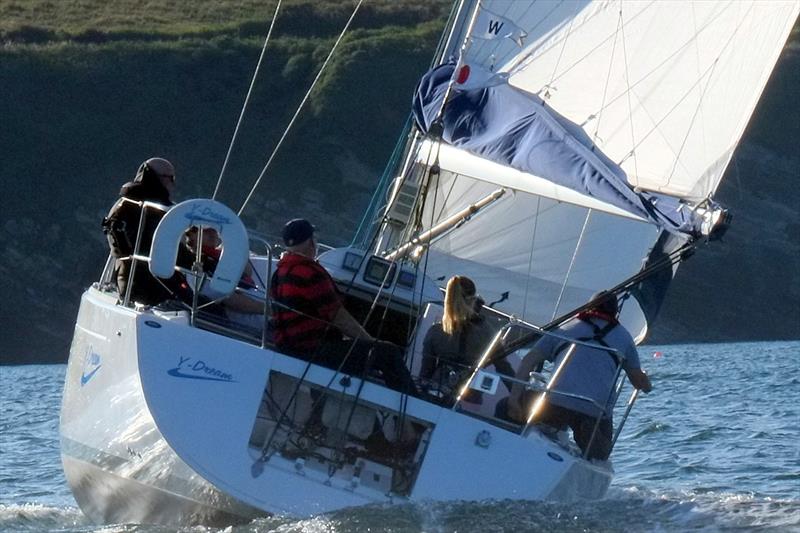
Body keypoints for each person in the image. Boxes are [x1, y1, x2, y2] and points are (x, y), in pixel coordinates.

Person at [270, 218, 416, 394]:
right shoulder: (310, 273)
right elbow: (338, 317)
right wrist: (371, 343)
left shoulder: (279, 273)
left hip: (287, 347)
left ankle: (319, 416)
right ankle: (416, 414)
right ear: (310, 242)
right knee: (388, 353)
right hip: (311, 351)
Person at [505, 292, 652, 460]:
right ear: (615, 312)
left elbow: (528, 361)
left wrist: (513, 400)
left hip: (554, 404)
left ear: (588, 307)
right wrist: (648, 384)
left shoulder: (565, 327)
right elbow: (639, 382)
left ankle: (515, 445)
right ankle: (591, 441)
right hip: (593, 411)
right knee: (601, 455)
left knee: (507, 406)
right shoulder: (624, 338)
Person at [102, 157, 190, 306]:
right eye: (171, 178)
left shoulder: (130, 203)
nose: (173, 184)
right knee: (208, 310)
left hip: (149, 277)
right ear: (156, 178)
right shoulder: (139, 206)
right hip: (144, 284)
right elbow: (123, 239)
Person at [420, 275, 514, 402]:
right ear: (474, 300)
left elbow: (425, 374)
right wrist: (519, 399)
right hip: (470, 399)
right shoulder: (487, 333)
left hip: (435, 394)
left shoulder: (435, 332)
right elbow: (505, 370)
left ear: (447, 299)